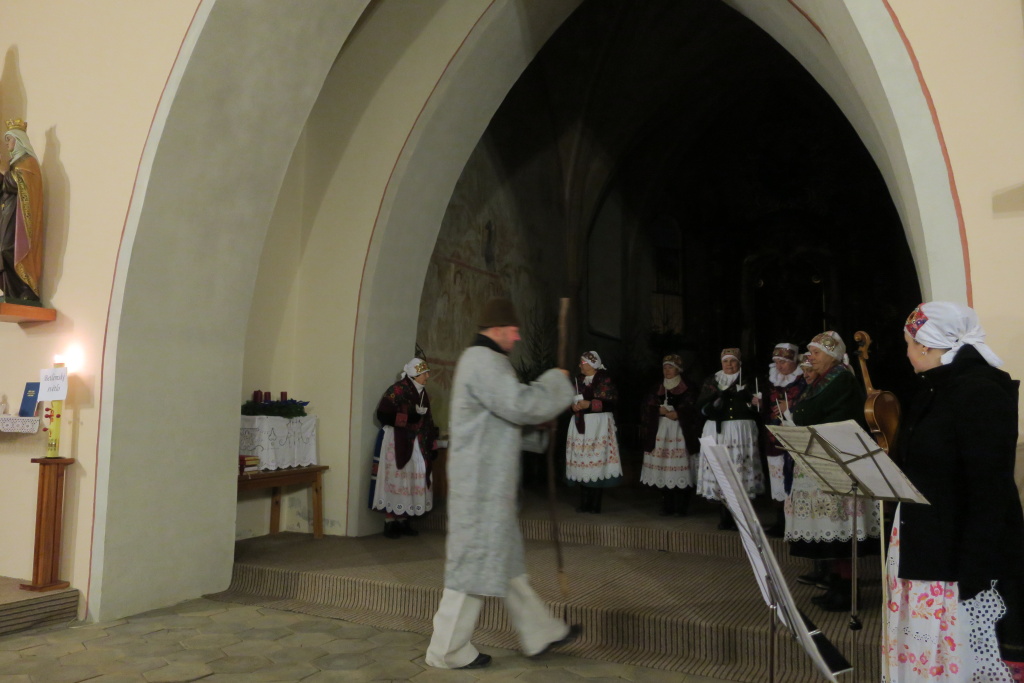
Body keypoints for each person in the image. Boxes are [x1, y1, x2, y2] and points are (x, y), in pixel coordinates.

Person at [425, 298, 581, 670]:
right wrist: (555, 384)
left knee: (507, 564)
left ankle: (540, 632)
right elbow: (518, 405)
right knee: (472, 566)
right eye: (513, 330)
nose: (518, 336)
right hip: (480, 488)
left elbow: (501, 421)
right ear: (496, 329)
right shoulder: (483, 361)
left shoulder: (487, 361)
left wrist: (537, 428)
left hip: (488, 484)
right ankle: (446, 650)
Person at [882, 302, 1024, 682]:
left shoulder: (980, 392)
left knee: (954, 658)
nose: (907, 353)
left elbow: (990, 490)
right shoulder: (937, 386)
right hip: (926, 539)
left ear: (926, 346)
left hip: (953, 557)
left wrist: (973, 574)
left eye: (909, 344)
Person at [786, 330, 878, 612]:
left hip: (837, 460)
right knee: (834, 529)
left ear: (831, 354)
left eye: (815, 353)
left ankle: (848, 590)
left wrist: (803, 414)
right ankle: (837, 584)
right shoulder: (825, 378)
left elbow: (809, 413)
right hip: (823, 458)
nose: (810, 357)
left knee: (841, 528)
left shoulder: (840, 378)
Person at [368, 357, 439, 538]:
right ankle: (390, 521)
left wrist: (432, 444)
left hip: (417, 443)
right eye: (425, 373)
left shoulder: (422, 393)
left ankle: (403, 518)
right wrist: (407, 419)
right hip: (397, 440)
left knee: (410, 481)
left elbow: (428, 420)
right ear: (415, 374)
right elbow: (383, 414)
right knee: (396, 479)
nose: (428, 376)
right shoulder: (397, 390)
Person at [696, 347, 763, 530]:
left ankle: (741, 517)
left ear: (739, 363)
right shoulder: (712, 380)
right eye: (725, 361)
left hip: (741, 430)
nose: (729, 364)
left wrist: (753, 401)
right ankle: (724, 515)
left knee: (740, 470)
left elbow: (758, 407)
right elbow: (701, 405)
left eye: (732, 361)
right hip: (717, 430)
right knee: (721, 470)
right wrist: (713, 404)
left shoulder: (749, 380)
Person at [639, 354, 698, 516]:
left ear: (678, 369)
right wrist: (657, 410)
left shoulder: (688, 387)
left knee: (681, 467)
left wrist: (679, 414)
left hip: (680, 432)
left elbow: (694, 408)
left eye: (670, 367)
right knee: (664, 467)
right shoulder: (657, 387)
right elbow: (646, 406)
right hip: (661, 432)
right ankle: (667, 505)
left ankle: (682, 506)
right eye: (664, 367)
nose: (667, 370)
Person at [565, 351, 622, 513]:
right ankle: (585, 503)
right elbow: (570, 399)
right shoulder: (578, 380)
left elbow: (611, 402)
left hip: (599, 426)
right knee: (583, 461)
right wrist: (573, 407)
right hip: (581, 424)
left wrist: (590, 405)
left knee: (597, 461)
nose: (580, 366)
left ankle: (595, 504)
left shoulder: (604, 379)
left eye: (582, 363)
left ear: (592, 364)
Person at [762, 343, 806, 536]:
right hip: (774, 437)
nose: (780, 366)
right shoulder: (772, 380)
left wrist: (789, 406)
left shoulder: (803, 379)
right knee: (777, 479)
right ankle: (780, 521)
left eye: (784, 362)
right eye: (777, 362)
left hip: (794, 437)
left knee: (793, 478)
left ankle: (795, 521)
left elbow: (806, 401)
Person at [0, 120, 44, 304]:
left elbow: (21, 184)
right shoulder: (13, 164)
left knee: (9, 248)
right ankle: (12, 291)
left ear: (18, 141)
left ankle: (26, 288)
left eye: (9, 140)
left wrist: (5, 172)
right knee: (2, 250)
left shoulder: (28, 162)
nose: (7, 145)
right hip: (7, 211)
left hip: (20, 217)